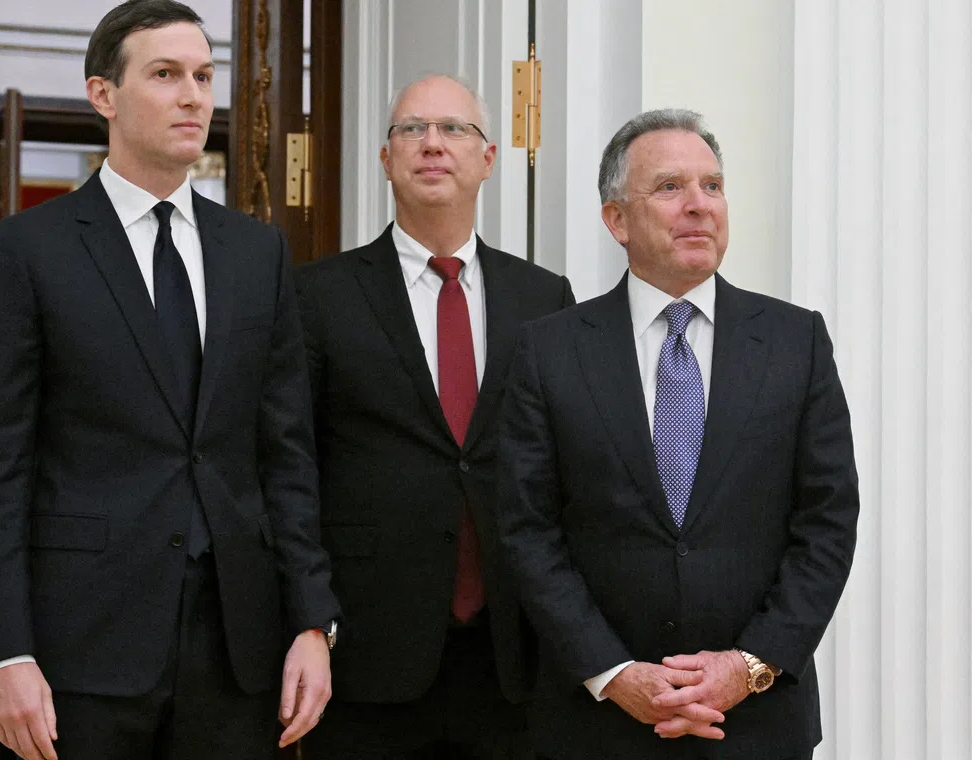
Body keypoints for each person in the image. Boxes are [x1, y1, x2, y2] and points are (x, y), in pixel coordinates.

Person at [0, 2, 339, 758]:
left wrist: (311, 622)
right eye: (165, 75)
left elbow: (286, 455)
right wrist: (5, 652)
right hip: (79, 652)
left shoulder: (256, 253)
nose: (194, 95)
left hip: (237, 652)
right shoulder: (27, 249)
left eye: (204, 75)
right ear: (105, 94)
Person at [496, 108, 860, 760]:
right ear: (617, 220)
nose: (699, 205)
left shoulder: (795, 342)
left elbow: (827, 524)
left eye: (712, 186)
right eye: (670, 187)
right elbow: (527, 530)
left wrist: (748, 667)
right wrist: (614, 674)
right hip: (596, 725)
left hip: (757, 723)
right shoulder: (549, 352)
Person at [295, 74, 575, 759]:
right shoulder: (318, 295)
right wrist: (308, 620)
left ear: (488, 160)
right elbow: (289, 466)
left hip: (512, 654)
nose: (431, 144)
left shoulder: (545, 298)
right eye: (410, 129)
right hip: (368, 650)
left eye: (455, 129)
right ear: (387, 160)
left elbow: (567, 469)